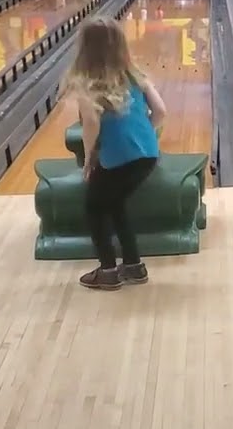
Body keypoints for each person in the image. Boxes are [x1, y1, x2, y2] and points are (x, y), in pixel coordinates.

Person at [62, 18, 166, 291]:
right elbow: (161, 111)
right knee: (116, 203)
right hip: (148, 154)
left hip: (117, 159)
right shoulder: (135, 75)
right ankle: (133, 266)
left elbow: (91, 124)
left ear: (84, 49)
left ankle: (108, 270)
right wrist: (144, 135)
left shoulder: (87, 83)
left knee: (94, 208)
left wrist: (89, 159)